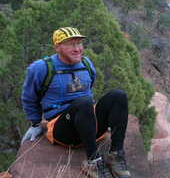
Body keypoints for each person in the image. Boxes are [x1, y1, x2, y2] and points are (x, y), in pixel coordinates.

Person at [21, 27, 131, 178]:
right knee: (83, 102)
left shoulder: (86, 63)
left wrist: (107, 118)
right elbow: (29, 97)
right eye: (71, 44)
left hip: (89, 124)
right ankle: (93, 162)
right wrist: (35, 123)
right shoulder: (41, 68)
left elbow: (89, 86)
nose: (78, 49)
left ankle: (115, 154)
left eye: (79, 43)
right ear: (57, 47)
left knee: (118, 95)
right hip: (62, 128)